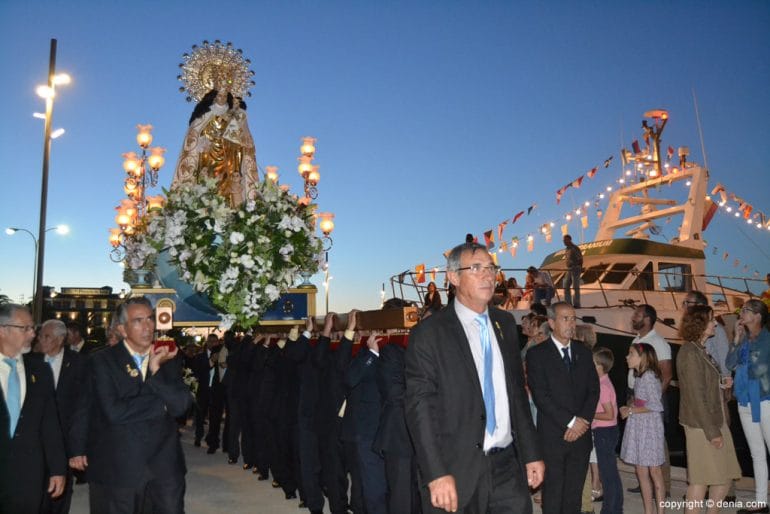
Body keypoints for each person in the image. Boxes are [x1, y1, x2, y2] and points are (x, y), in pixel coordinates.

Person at [405, 242, 544, 513]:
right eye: (477, 268)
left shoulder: (505, 324)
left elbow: (516, 393)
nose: (488, 275)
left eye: (491, 268)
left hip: (507, 466)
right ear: (454, 277)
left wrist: (531, 453)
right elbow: (419, 407)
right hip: (456, 469)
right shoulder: (429, 334)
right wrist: (436, 473)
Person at [87, 297, 192, 513]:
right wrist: (162, 405)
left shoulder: (167, 357)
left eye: (150, 319)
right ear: (122, 330)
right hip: (122, 466)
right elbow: (114, 412)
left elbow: (181, 406)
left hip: (165, 465)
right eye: (138, 321)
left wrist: (155, 370)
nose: (147, 326)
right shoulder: (102, 361)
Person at [526, 301, 599, 514]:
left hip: (581, 438)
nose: (571, 324)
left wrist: (583, 421)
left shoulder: (583, 353)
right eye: (565, 318)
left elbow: (593, 391)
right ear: (551, 322)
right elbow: (541, 396)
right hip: (553, 439)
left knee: (573, 497)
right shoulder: (537, 354)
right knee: (553, 495)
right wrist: (571, 422)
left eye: (573, 318)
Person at [0, 304, 67, 513]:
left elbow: (50, 424)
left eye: (33, 328)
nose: (33, 334)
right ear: (2, 330)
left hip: (28, 476)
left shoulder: (40, 370)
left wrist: (57, 469)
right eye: (25, 328)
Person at [677, 305, 742, 514]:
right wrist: (712, 432)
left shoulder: (701, 350)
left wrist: (720, 384)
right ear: (699, 323)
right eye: (712, 320)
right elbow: (695, 397)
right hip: (702, 426)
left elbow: (704, 386)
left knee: (725, 474)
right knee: (701, 480)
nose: (715, 323)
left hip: (716, 419)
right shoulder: (689, 352)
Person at [171, 87, 259, 206]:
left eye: (224, 96)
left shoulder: (233, 113)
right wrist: (204, 140)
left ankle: (228, 208)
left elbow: (241, 136)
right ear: (214, 97)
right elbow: (195, 133)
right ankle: (207, 206)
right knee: (209, 180)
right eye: (219, 96)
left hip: (228, 154)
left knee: (229, 181)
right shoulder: (206, 113)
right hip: (208, 154)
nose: (222, 99)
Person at [36, 319, 86, 514]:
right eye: (41, 335)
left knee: (61, 488)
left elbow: (83, 404)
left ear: (60, 339)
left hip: (66, 436)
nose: (41, 339)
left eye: (46, 336)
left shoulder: (79, 363)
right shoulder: (32, 360)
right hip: (37, 437)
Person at [726, 299, 770, 514]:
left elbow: (758, 369)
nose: (741, 313)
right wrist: (736, 339)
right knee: (756, 453)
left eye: (746, 310)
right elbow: (729, 364)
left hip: (764, 400)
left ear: (758, 316)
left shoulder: (766, 339)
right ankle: (761, 502)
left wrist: (743, 361)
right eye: (741, 310)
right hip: (744, 400)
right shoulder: (744, 340)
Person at [627, 304, 672, 496]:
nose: (633, 317)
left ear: (647, 319)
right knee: (642, 442)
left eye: (637, 315)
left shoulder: (658, 343)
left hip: (651, 400)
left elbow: (667, 375)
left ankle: (665, 486)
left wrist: (651, 401)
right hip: (637, 397)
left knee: (656, 443)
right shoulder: (637, 340)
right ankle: (645, 481)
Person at [620, 343, 665, 514]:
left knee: (654, 470)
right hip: (639, 424)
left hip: (649, 428)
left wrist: (631, 410)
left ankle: (660, 511)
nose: (627, 357)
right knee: (641, 469)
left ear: (642, 357)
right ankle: (648, 510)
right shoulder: (639, 377)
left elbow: (655, 405)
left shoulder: (650, 377)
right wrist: (630, 406)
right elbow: (643, 401)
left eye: (630, 354)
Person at [592, 347, 623, 514]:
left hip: (604, 432)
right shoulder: (604, 382)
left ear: (600, 367)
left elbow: (610, 414)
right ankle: (616, 508)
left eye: (592, 364)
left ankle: (609, 509)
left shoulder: (603, 386)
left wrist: (590, 414)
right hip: (607, 431)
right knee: (611, 472)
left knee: (607, 474)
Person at [191, 334, 225, 453]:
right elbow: (197, 372)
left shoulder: (222, 356)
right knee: (200, 415)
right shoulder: (200, 357)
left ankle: (213, 442)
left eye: (215, 341)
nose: (213, 343)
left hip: (216, 391)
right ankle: (198, 436)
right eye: (210, 341)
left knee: (215, 418)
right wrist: (211, 361)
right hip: (203, 390)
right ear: (207, 342)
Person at [562, 234, 583, 308]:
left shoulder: (575, 248)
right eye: (563, 240)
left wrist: (579, 267)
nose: (563, 242)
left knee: (575, 287)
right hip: (569, 269)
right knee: (566, 286)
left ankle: (577, 304)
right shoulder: (567, 249)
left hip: (575, 268)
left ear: (569, 239)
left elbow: (580, 259)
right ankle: (568, 304)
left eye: (565, 240)